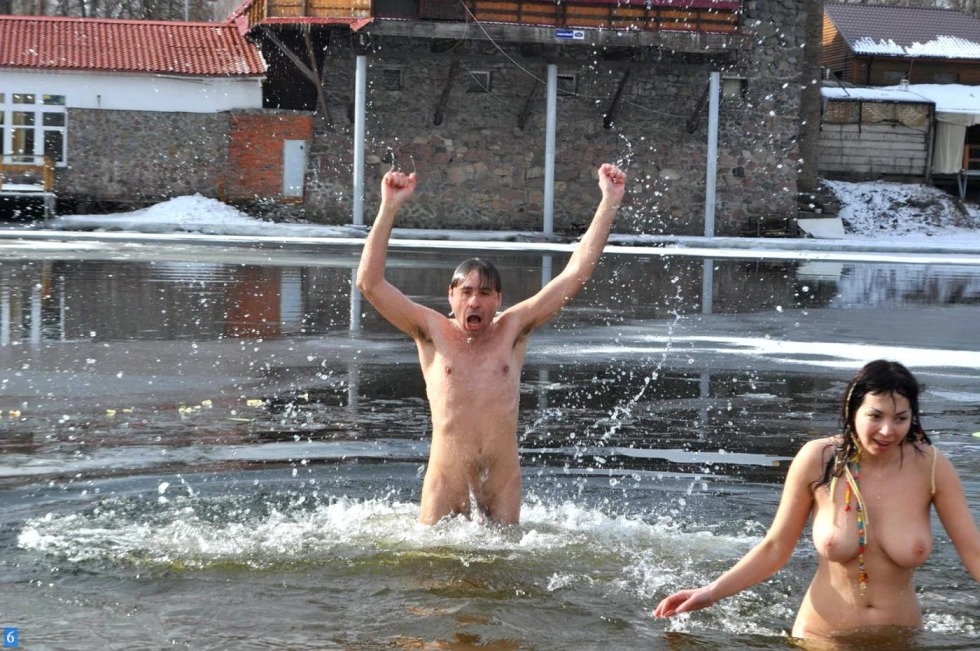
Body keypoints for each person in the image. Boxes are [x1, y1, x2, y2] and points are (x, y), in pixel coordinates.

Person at [356, 163, 626, 525]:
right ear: (450, 295)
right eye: (466, 292)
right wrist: (389, 208)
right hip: (446, 481)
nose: (474, 303)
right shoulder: (430, 331)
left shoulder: (513, 329)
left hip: (501, 483)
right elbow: (369, 284)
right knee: (432, 571)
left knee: (502, 571)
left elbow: (575, 273)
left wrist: (608, 202)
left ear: (498, 299)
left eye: (484, 293)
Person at [654, 359, 980, 641]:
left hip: (900, 639)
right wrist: (711, 593)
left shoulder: (932, 466)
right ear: (853, 411)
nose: (887, 431)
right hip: (821, 637)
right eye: (875, 415)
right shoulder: (818, 459)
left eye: (900, 418)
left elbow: (973, 551)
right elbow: (776, 546)